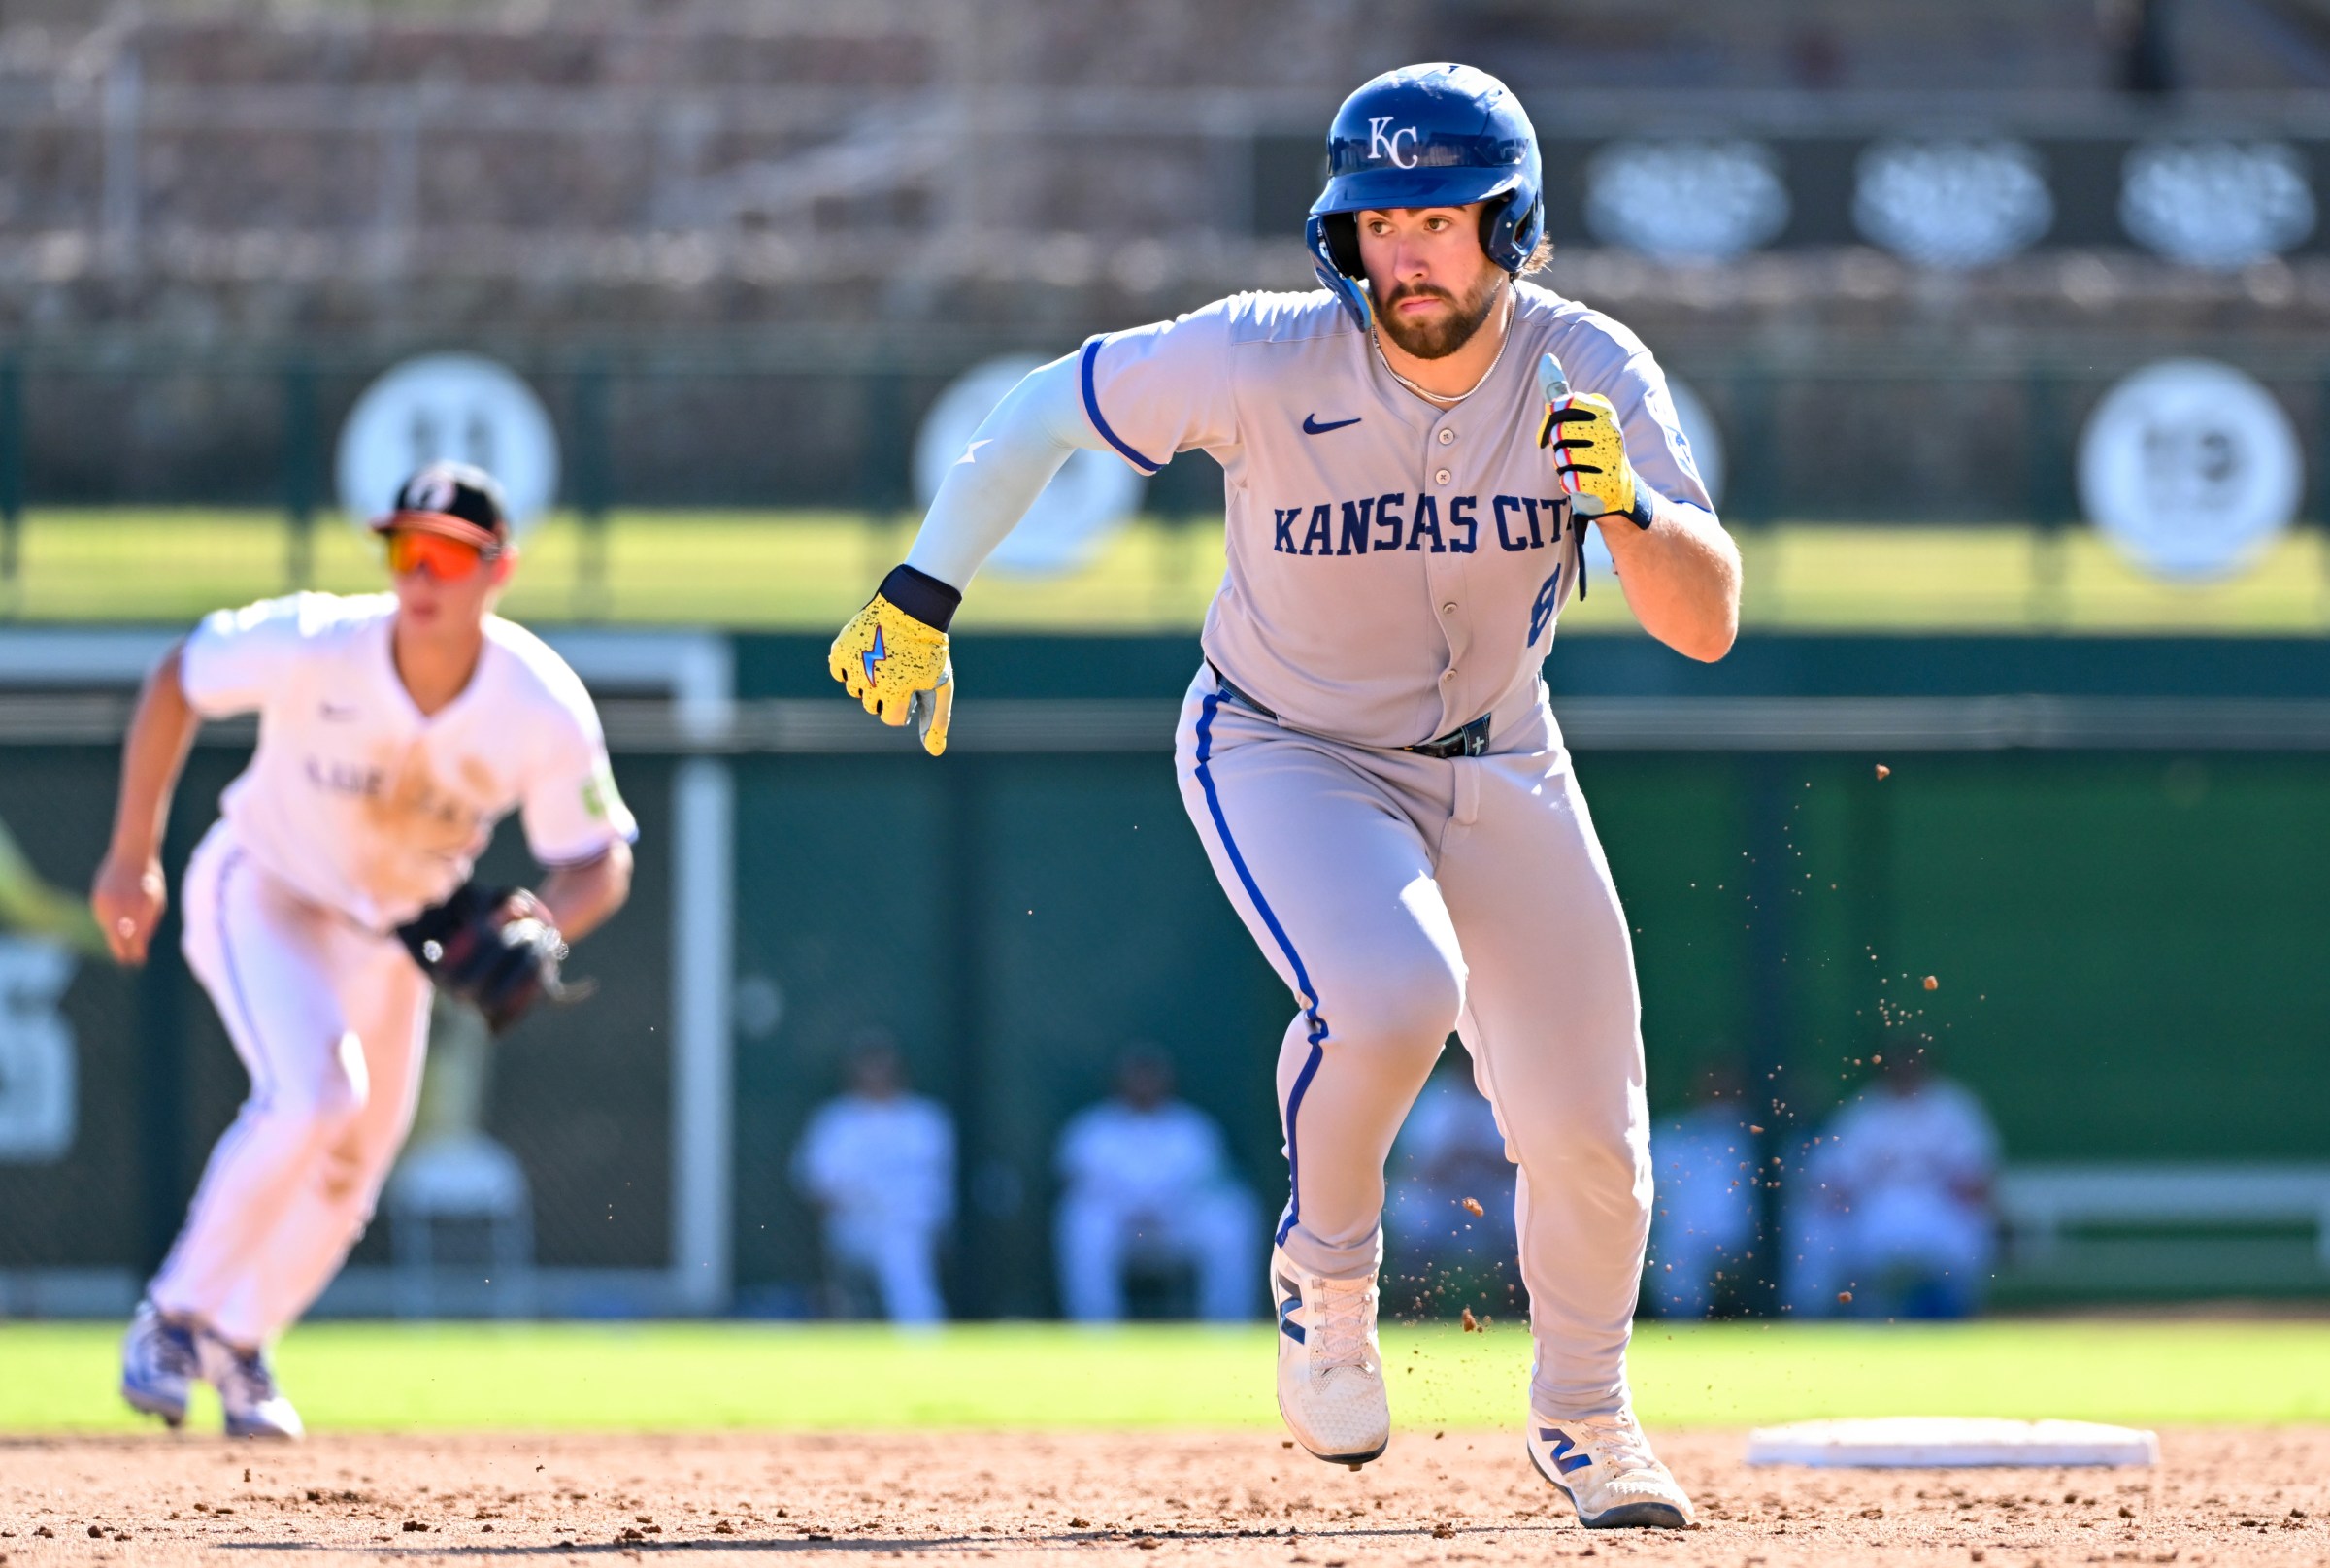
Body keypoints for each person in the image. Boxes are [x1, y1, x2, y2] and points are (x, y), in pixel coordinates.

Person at [826, 64, 1737, 1527]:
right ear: (1341, 233)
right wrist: (925, 588)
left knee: (1592, 1134)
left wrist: (1632, 505)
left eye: (1443, 214)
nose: (1409, 252)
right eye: (1380, 220)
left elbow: (1706, 621)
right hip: (1287, 743)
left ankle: (1586, 1417)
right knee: (1392, 991)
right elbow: (1044, 407)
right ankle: (1326, 1272)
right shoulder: (1262, 355)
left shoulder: (1589, 367)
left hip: (1503, 755)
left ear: (1514, 223)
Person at [92, 461, 636, 1437]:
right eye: (402, 550)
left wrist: (543, 927)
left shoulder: (538, 701)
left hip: (394, 938)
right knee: (315, 1095)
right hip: (264, 887)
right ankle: (171, 1320)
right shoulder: (318, 642)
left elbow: (598, 860)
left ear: (496, 569)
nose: (418, 576)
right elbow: (178, 678)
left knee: (352, 1166)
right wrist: (133, 854)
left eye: (444, 556)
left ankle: (239, 1342)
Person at [1784, 1049, 2000, 1319]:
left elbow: (1978, 1178)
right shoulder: (1865, 1111)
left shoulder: (1952, 1107)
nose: (1905, 1070)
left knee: (1966, 1236)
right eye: (1898, 1064)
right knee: (1818, 1229)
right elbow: (1835, 1180)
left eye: (1912, 1064)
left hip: (1938, 1209)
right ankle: (1835, 1316)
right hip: (1875, 1210)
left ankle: (1954, 1314)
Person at [1052, 1049, 1259, 1321]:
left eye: (1151, 1077)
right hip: (1119, 1227)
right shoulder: (1093, 1128)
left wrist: (1170, 1209)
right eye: (1136, 1077)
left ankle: (1228, 1324)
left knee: (1231, 1220)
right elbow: (1074, 1181)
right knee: (1083, 1223)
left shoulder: (1192, 1127)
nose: (1144, 1085)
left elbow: (1213, 1184)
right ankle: (1094, 1326)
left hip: (1178, 1226)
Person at [791, 1033, 955, 1324]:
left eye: (884, 1066)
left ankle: (919, 1332)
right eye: (869, 1066)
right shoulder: (836, 1121)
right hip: (858, 1228)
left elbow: (938, 1186)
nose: (877, 1075)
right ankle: (921, 1333)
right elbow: (816, 1187)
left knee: (903, 1245)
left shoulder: (925, 1119)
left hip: (914, 1227)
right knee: (898, 1248)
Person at [1381, 1053, 1512, 1306]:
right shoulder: (1438, 1098)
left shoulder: (1506, 1098)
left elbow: (1522, 1166)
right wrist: (1454, 1157)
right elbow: (1413, 1167)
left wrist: (1481, 1156)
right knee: (1417, 1213)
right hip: (1441, 1199)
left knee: (1519, 1212)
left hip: (1492, 1198)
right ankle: (1406, 1305)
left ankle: (1518, 1304)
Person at [1644, 1061, 1759, 1319]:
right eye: (1712, 1083)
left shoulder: (1757, 1137)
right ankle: (1680, 1325)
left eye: (1727, 1084)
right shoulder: (1676, 1135)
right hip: (1688, 1242)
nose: (1719, 1091)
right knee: (1679, 1249)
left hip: (1743, 1238)